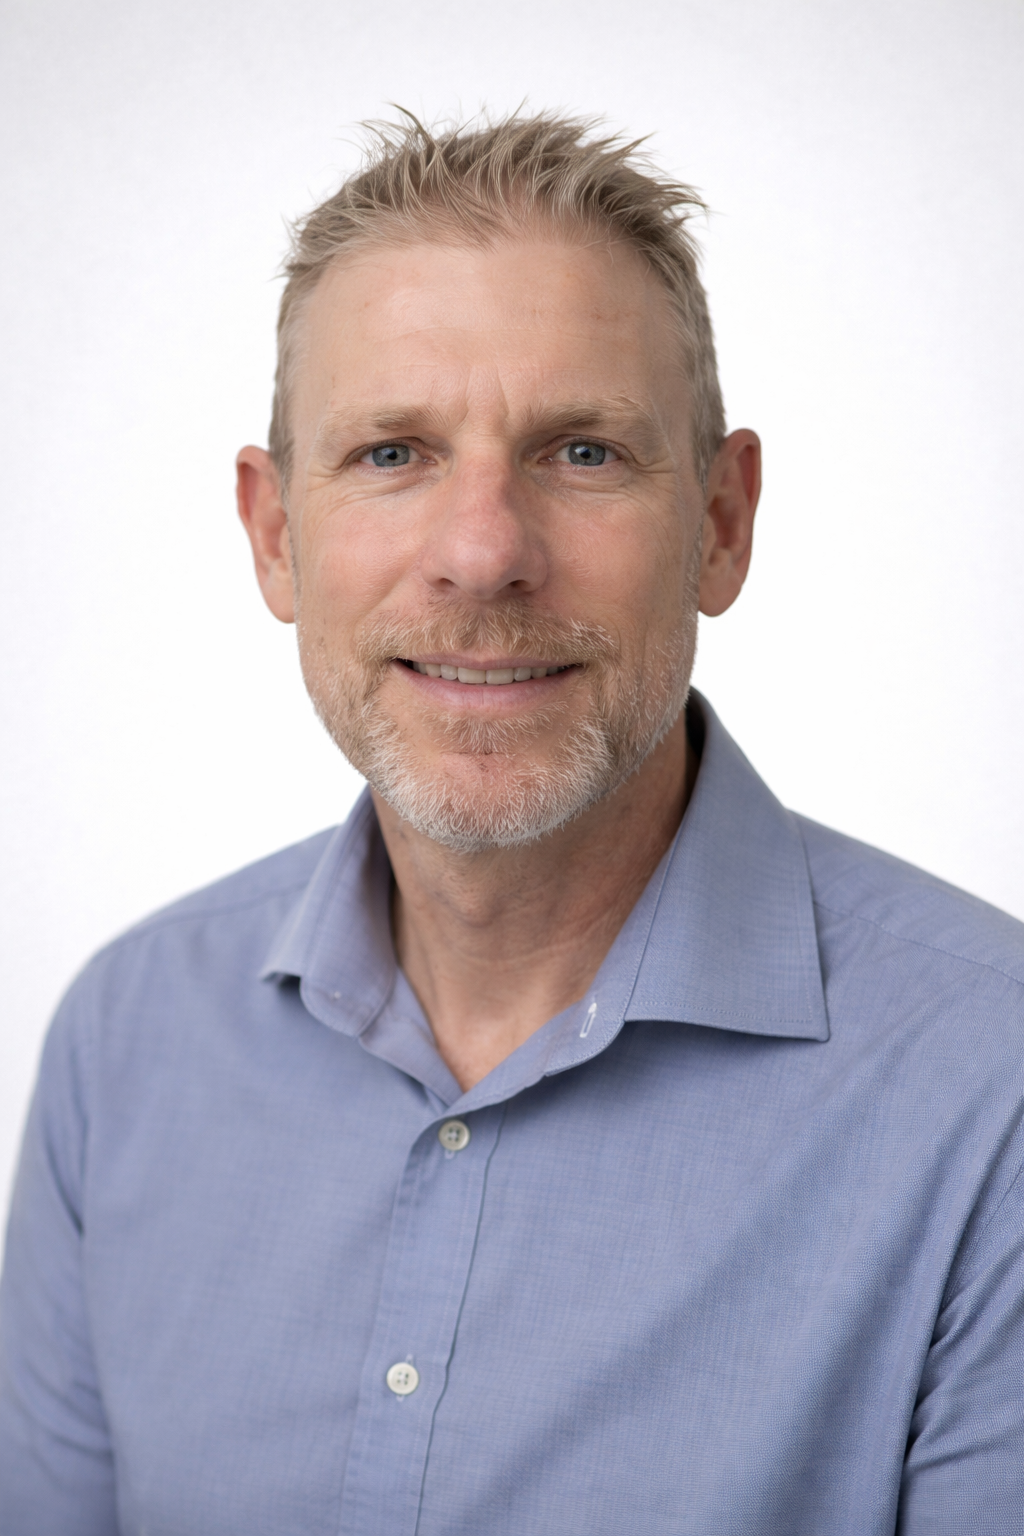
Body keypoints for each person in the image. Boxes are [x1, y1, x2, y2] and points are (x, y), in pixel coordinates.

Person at [2, 110, 1023, 1536]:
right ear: (274, 534)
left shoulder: (994, 1089)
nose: (484, 551)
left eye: (586, 452)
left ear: (723, 523)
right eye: (392, 453)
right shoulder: (125, 1050)